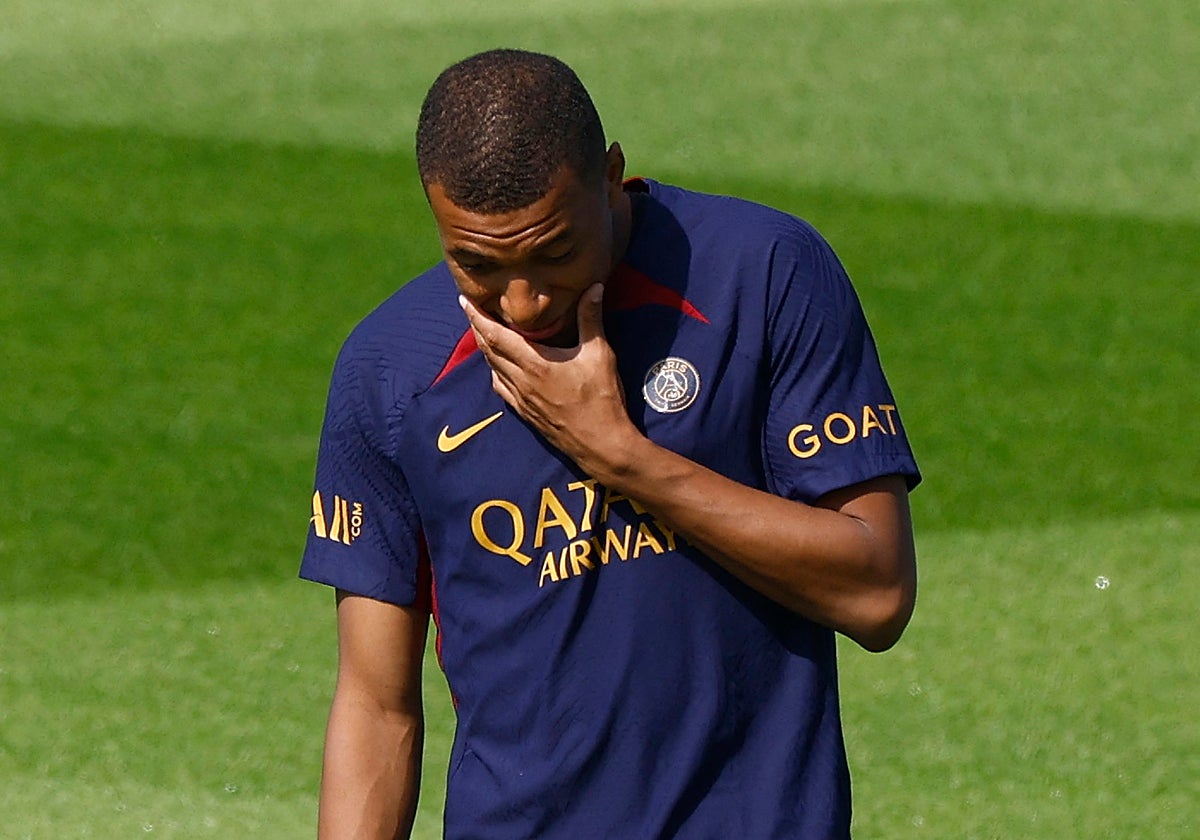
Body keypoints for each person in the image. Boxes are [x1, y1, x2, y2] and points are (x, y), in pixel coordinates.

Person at [300, 48, 920, 839]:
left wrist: (623, 457)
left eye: (555, 252)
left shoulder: (762, 274)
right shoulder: (391, 369)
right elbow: (376, 706)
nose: (523, 304)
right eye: (477, 265)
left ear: (612, 175)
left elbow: (876, 593)